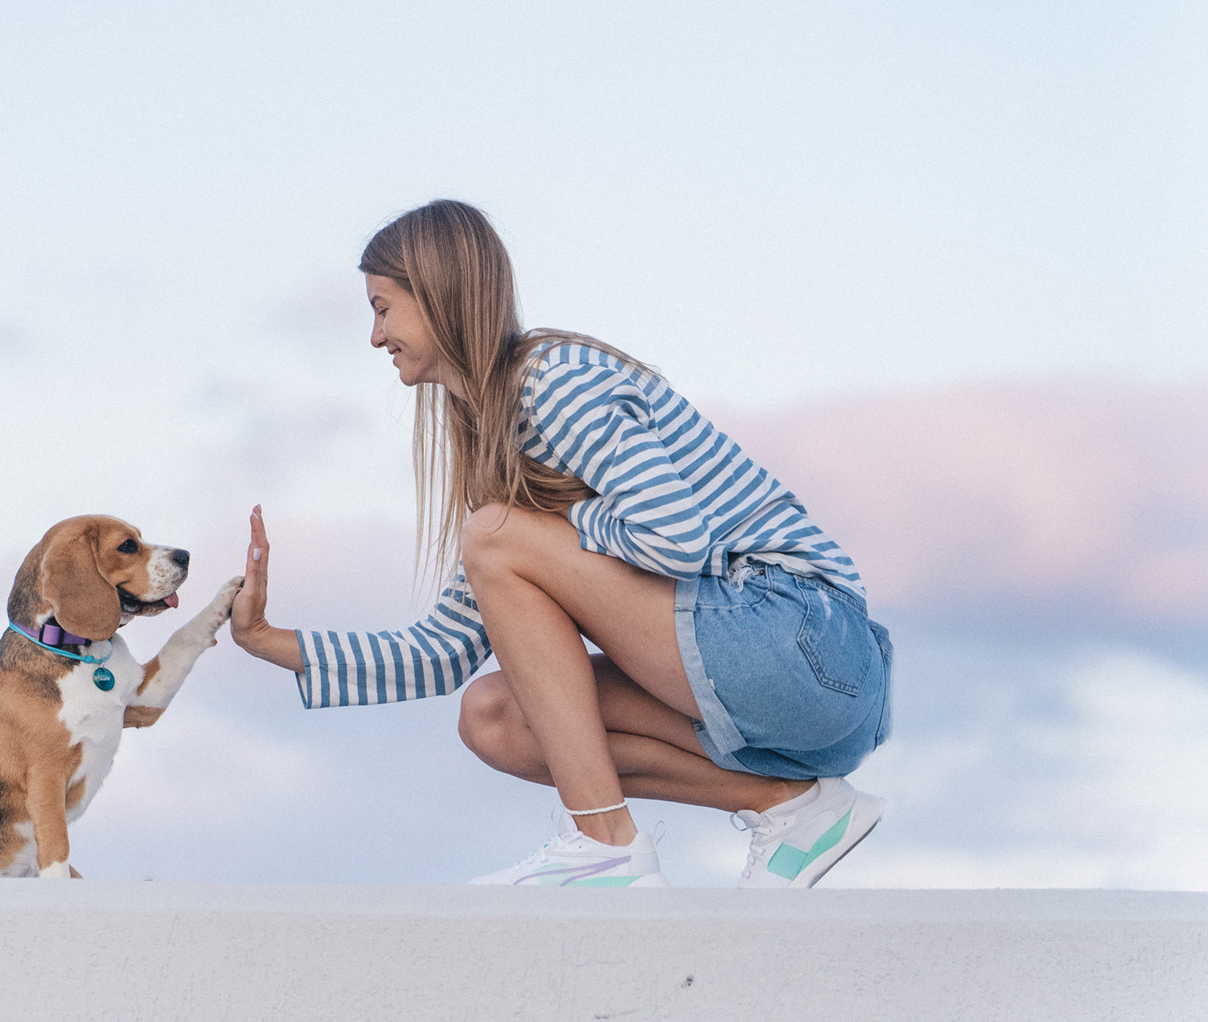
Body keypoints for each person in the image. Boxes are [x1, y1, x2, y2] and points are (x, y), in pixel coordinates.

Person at [227, 199, 892, 888]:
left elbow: (677, 537)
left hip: (808, 641)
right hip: (772, 675)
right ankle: (796, 808)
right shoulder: (499, 451)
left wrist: (559, 531)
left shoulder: (556, 381)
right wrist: (269, 640)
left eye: (383, 308)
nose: (375, 336)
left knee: (497, 536)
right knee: (494, 718)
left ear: (439, 296)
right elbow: (444, 653)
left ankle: (604, 846)